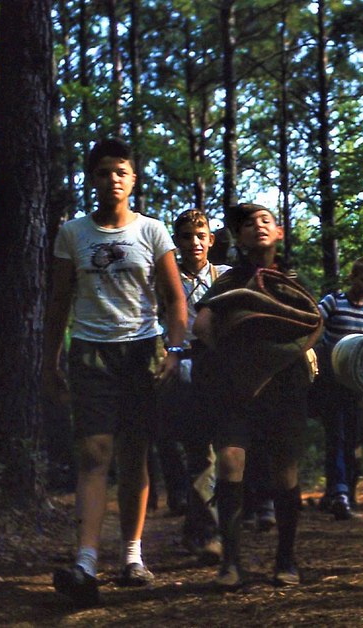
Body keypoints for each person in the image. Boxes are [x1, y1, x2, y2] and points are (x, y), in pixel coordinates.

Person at [42, 138, 187, 607]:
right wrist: (49, 360)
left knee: (133, 454)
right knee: (92, 452)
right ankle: (85, 560)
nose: (113, 180)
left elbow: (174, 299)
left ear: (134, 178)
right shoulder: (72, 234)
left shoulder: (152, 232)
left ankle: (132, 555)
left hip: (141, 351)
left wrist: (175, 349)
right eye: (104, 172)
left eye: (121, 171)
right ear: (93, 179)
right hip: (90, 353)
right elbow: (59, 301)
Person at [193, 202, 321, 589]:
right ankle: (230, 563)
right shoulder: (230, 281)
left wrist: (294, 353)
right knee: (231, 462)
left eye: (266, 220)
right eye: (248, 224)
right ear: (239, 238)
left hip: (284, 390)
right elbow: (202, 323)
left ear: (279, 232)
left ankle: (287, 559)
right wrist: (233, 362)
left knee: (285, 470)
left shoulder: (293, 281)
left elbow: (313, 323)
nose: (258, 227)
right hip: (236, 391)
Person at [158, 209, 231, 565]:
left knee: (224, 449)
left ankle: (201, 527)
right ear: (177, 241)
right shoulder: (167, 280)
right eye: (186, 237)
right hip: (181, 365)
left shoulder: (225, 278)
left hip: (220, 367)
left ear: (211, 239)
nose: (194, 243)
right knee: (198, 449)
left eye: (200, 235)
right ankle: (210, 531)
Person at [315, 257, 363, 520]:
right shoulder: (333, 302)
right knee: (336, 435)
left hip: (357, 385)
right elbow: (314, 323)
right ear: (352, 278)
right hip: (331, 382)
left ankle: (347, 492)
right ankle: (338, 491)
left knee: (354, 439)